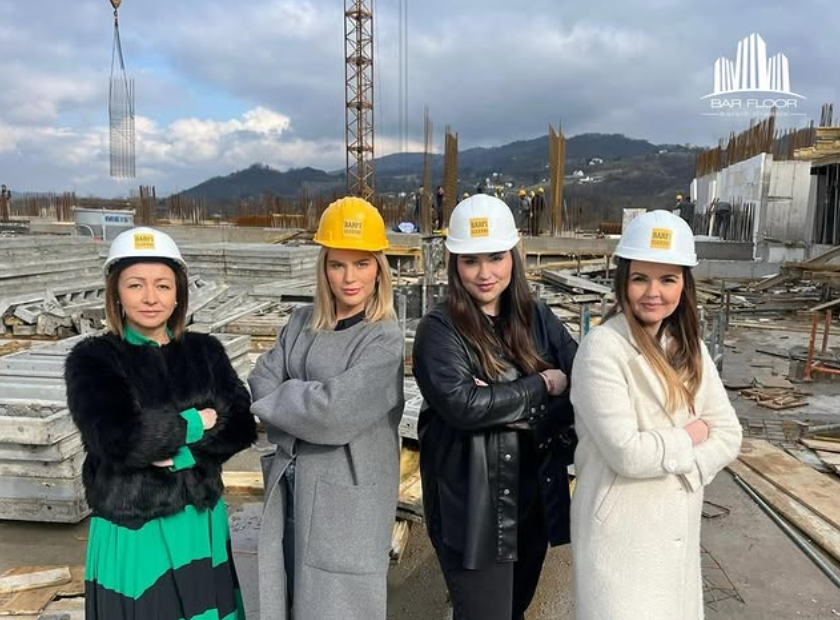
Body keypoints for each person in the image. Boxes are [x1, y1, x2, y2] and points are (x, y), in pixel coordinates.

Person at [64, 227, 256, 620]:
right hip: (136, 527)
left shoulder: (205, 352)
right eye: (136, 285)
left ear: (178, 294)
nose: (151, 298)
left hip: (200, 521)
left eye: (163, 286)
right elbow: (120, 439)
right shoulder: (94, 359)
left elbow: (240, 426)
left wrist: (177, 452)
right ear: (116, 293)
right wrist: (194, 424)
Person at [570, 210, 742, 620]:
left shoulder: (689, 348)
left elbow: (729, 433)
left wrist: (687, 467)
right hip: (620, 540)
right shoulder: (603, 349)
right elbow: (627, 454)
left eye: (667, 279)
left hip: (675, 535)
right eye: (640, 279)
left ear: (684, 284)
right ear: (623, 281)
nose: (653, 293)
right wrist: (690, 436)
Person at [413, 194, 578, 620]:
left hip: (533, 498)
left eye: (495, 258)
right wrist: (543, 384)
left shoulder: (538, 317)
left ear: (513, 256)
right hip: (475, 507)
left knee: (514, 610)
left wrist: (501, 404)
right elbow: (464, 406)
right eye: (470, 261)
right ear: (455, 264)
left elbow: (582, 383)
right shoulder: (440, 330)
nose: (484, 273)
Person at [249, 196, 405, 620]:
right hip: (292, 483)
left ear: (379, 269)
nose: (349, 278)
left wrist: (287, 400)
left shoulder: (383, 339)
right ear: (323, 268)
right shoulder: (301, 321)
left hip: (346, 502)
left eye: (362, 264)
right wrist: (308, 401)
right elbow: (260, 380)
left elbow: (332, 415)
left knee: (336, 605)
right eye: (338, 264)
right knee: (288, 594)